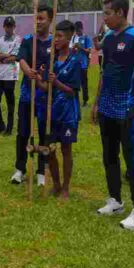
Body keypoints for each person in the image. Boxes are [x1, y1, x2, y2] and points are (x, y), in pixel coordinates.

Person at [92, 0, 134, 230]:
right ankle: (115, 200)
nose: (104, 18)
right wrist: (97, 102)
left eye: (107, 13)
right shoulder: (107, 38)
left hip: (128, 107)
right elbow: (104, 73)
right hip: (107, 106)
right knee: (109, 155)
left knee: (132, 159)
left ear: (120, 12)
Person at [37, 20, 82, 199]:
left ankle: (65, 187)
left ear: (69, 37)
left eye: (59, 36)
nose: (55, 39)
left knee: (66, 150)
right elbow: (48, 88)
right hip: (52, 112)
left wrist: (56, 82)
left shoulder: (75, 61)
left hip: (68, 113)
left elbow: (73, 90)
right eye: (54, 36)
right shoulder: (52, 60)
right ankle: (55, 184)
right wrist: (38, 79)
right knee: (50, 149)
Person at [11, 5, 54, 186]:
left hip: (45, 98)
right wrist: (28, 71)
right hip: (28, 96)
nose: (38, 21)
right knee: (22, 133)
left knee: (45, 134)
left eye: (42, 18)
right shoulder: (29, 40)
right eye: (36, 18)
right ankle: (20, 169)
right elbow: (21, 59)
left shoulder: (53, 43)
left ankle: (42, 170)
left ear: (50, 20)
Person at [0, 16, 21, 135]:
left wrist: (3, 56)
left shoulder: (17, 40)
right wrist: (6, 55)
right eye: (7, 26)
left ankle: (9, 128)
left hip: (10, 75)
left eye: (11, 26)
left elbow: (15, 57)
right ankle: (0, 125)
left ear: (14, 27)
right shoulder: (0, 40)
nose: (9, 28)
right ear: (4, 27)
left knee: (10, 102)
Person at [71, 21, 93, 107]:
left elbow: (89, 51)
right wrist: (73, 48)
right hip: (75, 64)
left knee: (84, 83)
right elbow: (71, 51)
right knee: (74, 83)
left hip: (83, 64)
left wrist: (81, 48)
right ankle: (75, 100)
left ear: (81, 29)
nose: (77, 32)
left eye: (78, 30)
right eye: (76, 30)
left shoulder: (86, 38)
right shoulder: (73, 38)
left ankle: (85, 100)